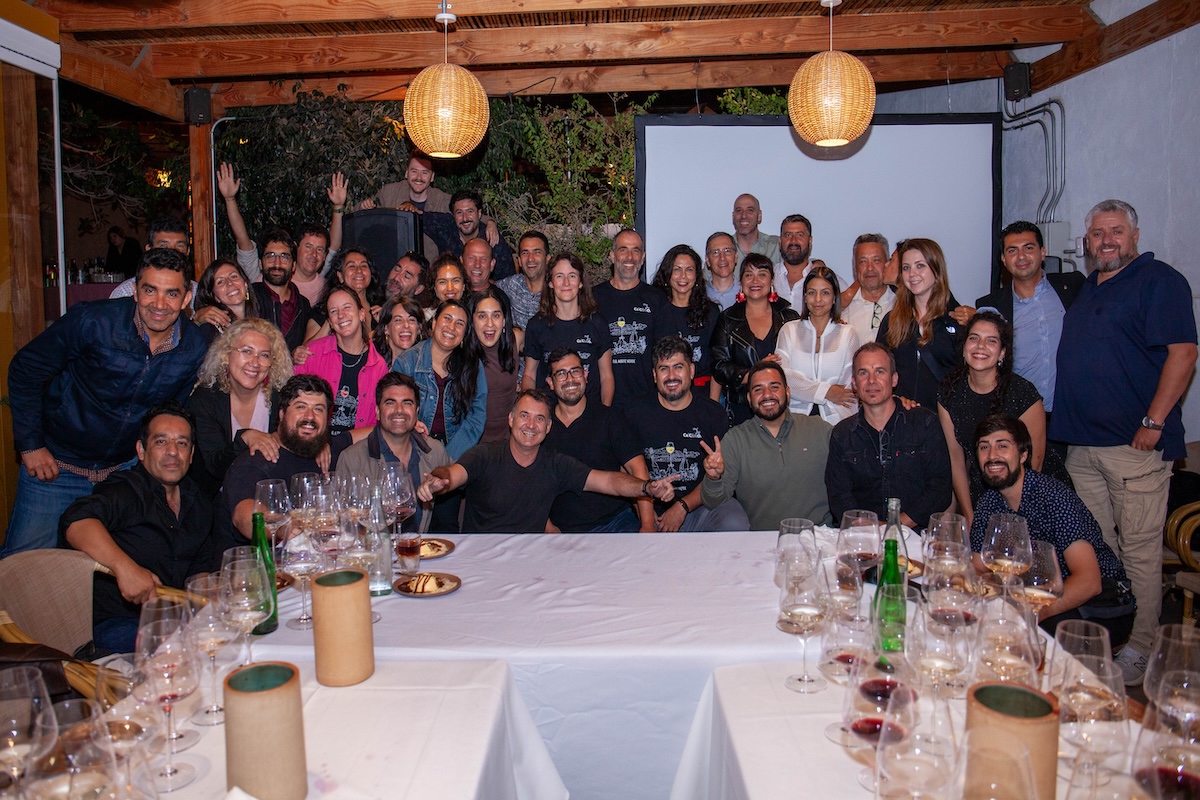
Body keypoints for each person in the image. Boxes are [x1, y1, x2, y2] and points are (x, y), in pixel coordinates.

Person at [1050, 199, 1197, 684]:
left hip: (1133, 449)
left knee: (1138, 551)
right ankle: (1115, 633)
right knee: (1099, 549)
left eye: (1115, 231)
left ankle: (1143, 647)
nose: (1106, 240)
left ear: (1135, 236)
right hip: (1083, 446)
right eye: (1097, 233)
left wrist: (1153, 422)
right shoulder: (1090, 286)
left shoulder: (1159, 281)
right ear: (1087, 242)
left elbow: (1183, 353)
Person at [3, 248, 207, 558]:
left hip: (122, 473)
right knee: (25, 568)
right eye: (150, 290)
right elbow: (25, 369)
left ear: (186, 298)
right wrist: (31, 445)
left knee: (113, 568)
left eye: (171, 293)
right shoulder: (92, 321)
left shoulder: (193, 346)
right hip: (55, 468)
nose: (159, 304)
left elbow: (170, 413)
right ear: (135, 290)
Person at [60, 402, 217, 655]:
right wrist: (125, 567)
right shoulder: (127, 490)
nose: (173, 452)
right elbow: (76, 521)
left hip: (175, 619)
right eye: (161, 442)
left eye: (182, 443)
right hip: (115, 624)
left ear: (191, 454)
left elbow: (199, 572)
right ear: (141, 451)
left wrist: (216, 596)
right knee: (185, 650)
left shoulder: (198, 501)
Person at [969, 414, 1135, 646]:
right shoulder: (988, 502)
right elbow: (979, 566)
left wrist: (1032, 613)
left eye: (1002, 446)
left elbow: (1089, 582)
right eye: (984, 447)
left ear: (1023, 455)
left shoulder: (1054, 498)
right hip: (1033, 594)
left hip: (1099, 604)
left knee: (1024, 639)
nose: (992, 456)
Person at [417, 389, 677, 533]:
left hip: (533, 561)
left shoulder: (555, 464)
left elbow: (608, 481)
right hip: (483, 558)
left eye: (539, 418)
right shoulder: (484, 455)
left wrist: (646, 487)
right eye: (524, 416)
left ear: (548, 427)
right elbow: (453, 474)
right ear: (511, 420)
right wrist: (439, 481)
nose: (531, 425)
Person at [936, 311, 1066, 525]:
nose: (980, 346)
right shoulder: (949, 392)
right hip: (982, 492)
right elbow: (956, 460)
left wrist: (1013, 523)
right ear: (964, 347)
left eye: (991, 341)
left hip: (1038, 500)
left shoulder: (1024, 395)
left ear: (1002, 353)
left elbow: (1034, 466)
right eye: (974, 338)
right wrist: (969, 515)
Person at [626, 337, 751, 532]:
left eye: (678, 367)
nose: (671, 376)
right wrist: (645, 514)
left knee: (735, 521)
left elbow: (721, 476)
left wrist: (682, 506)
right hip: (648, 508)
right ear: (654, 375)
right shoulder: (634, 413)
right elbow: (625, 471)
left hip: (699, 507)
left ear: (691, 371)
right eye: (663, 369)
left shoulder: (713, 414)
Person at [825, 343, 952, 530]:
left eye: (880, 371)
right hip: (861, 535)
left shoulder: (925, 423)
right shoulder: (842, 435)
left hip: (915, 535)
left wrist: (897, 524)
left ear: (894, 379)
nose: (871, 381)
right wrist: (867, 526)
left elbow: (940, 487)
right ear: (854, 383)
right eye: (863, 373)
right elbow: (839, 495)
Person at [217, 375, 352, 549]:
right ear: (282, 414)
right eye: (301, 407)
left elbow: (371, 434)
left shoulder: (323, 450)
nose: (310, 416)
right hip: (260, 563)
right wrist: (282, 527)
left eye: (318, 409)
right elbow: (244, 517)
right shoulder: (255, 461)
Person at [700, 360, 832, 530]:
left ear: (788, 392)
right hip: (762, 541)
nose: (767, 395)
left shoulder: (820, 429)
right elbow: (712, 501)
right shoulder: (735, 440)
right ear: (749, 398)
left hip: (819, 537)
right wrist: (713, 478)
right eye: (758, 389)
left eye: (774, 387)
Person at [975, 220, 1085, 417]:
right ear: (1003, 259)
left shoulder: (1073, 287)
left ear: (1043, 252)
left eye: (1028, 248)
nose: (1021, 256)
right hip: (1020, 416)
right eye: (1012, 250)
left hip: (1073, 414)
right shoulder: (991, 306)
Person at [543, 348, 654, 533]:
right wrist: (547, 527)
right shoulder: (541, 426)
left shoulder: (610, 419)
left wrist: (648, 525)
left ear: (585, 375)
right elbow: (530, 482)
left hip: (614, 522)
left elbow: (638, 469)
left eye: (575, 371)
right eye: (561, 374)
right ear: (550, 383)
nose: (570, 379)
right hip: (560, 528)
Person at [187, 318, 293, 497]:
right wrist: (244, 438)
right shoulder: (206, 399)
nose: (255, 362)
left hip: (270, 495)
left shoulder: (279, 397)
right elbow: (215, 466)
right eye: (246, 351)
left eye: (264, 355)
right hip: (218, 499)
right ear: (226, 355)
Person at [335, 373, 451, 535]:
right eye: (390, 403)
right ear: (377, 411)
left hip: (421, 548)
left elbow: (446, 515)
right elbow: (345, 524)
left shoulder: (435, 451)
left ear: (416, 411)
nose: (399, 410)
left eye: (407, 403)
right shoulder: (352, 459)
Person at [217, 162, 344, 303]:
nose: (313, 254)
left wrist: (338, 206)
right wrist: (230, 199)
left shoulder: (323, 284)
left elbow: (334, 246)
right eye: (308, 246)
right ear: (295, 248)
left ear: (324, 255)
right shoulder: (269, 274)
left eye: (319, 249)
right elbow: (243, 242)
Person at [710, 253, 801, 424]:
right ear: (741, 282)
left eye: (762, 274)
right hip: (741, 409)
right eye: (749, 275)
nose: (755, 281)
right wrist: (755, 372)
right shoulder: (727, 319)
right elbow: (719, 366)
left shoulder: (789, 317)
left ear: (771, 280)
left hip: (784, 407)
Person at [393, 299, 487, 461]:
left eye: (459, 324)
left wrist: (447, 460)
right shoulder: (407, 362)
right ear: (434, 322)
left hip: (457, 453)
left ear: (465, 334)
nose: (451, 327)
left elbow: (476, 419)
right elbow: (393, 408)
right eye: (447, 319)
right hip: (413, 449)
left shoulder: (473, 366)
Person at [876, 238, 963, 409]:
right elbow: (879, 368)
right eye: (906, 268)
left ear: (936, 269)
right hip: (902, 417)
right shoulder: (892, 321)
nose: (912, 274)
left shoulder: (957, 320)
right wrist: (894, 398)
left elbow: (968, 378)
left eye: (920, 266)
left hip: (944, 418)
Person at [294, 287, 389, 434]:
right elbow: (292, 404)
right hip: (314, 441)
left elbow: (379, 421)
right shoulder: (312, 353)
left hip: (358, 445)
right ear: (330, 322)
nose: (341, 315)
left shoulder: (379, 366)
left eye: (347, 307)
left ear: (361, 314)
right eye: (334, 311)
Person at [523, 253, 615, 405]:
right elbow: (529, 375)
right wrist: (530, 409)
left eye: (572, 276)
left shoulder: (597, 324)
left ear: (580, 282)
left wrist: (605, 413)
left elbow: (607, 377)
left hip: (590, 411)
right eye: (559, 276)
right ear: (550, 282)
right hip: (550, 411)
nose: (566, 282)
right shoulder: (537, 325)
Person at [775, 265, 860, 424]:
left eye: (825, 293)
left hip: (838, 420)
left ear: (834, 297)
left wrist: (804, 388)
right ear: (805, 297)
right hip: (795, 421)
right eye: (812, 293)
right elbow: (783, 378)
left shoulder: (848, 334)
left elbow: (847, 390)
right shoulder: (789, 330)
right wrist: (827, 391)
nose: (818, 299)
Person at [593, 229, 664, 410]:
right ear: (612, 255)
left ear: (643, 257)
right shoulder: (593, 298)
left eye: (636, 250)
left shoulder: (657, 299)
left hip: (647, 404)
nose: (630, 257)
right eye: (623, 249)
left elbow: (664, 353)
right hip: (602, 404)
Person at [652, 244, 720, 391]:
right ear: (667, 273)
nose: (683, 276)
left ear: (697, 276)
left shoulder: (711, 312)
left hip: (703, 391)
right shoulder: (655, 311)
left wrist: (713, 402)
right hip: (665, 391)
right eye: (677, 269)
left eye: (689, 270)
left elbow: (718, 362)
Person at [466, 288, 523, 444]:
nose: (489, 324)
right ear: (472, 321)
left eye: (496, 315)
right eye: (482, 316)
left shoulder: (515, 340)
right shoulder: (461, 354)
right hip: (471, 443)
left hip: (510, 441)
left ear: (504, 320)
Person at [424, 189, 516, 280]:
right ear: (453, 216)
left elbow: (509, 281)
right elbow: (418, 217)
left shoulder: (493, 240)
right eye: (459, 213)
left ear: (479, 213)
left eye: (470, 211)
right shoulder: (445, 228)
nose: (465, 218)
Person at [107, 217, 200, 308]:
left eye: (179, 247)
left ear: (187, 252)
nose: (172, 253)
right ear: (149, 250)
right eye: (163, 247)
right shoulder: (125, 293)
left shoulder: (198, 292)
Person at [250, 226, 313, 352]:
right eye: (270, 256)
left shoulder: (303, 306)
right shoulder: (248, 297)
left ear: (293, 266)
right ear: (260, 264)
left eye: (284, 257)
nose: (277, 264)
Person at [773, 214, 851, 312]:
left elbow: (847, 311)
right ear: (780, 241)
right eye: (788, 235)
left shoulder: (828, 280)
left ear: (810, 241)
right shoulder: (768, 278)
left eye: (800, 235)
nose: (793, 241)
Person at [305, 247, 385, 342]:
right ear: (340, 276)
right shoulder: (324, 310)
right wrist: (330, 321)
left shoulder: (382, 307)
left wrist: (385, 324)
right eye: (352, 266)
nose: (359, 270)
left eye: (364, 266)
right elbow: (307, 349)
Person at [841, 233, 897, 345]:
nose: (870, 268)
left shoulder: (902, 303)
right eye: (863, 261)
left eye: (876, 260)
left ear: (887, 263)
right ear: (855, 267)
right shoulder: (842, 311)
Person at [192, 258, 259, 343]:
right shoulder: (209, 330)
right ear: (214, 296)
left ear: (245, 284)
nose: (229, 283)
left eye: (234, 276)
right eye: (220, 282)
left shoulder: (261, 317)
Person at [497, 230, 548, 330]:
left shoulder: (557, 290)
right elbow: (487, 286)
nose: (530, 259)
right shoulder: (512, 284)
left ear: (547, 259)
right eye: (525, 253)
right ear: (519, 261)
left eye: (537, 252)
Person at [373, 297, 425, 365]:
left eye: (411, 320)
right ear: (386, 328)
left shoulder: (429, 364)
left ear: (419, 328)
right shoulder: (372, 361)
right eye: (398, 320)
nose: (406, 325)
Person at [731, 194, 780, 264]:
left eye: (750, 210)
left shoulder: (776, 246)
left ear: (759, 216)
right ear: (733, 216)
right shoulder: (723, 250)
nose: (744, 216)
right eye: (739, 210)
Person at [704, 231, 740, 311]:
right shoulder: (698, 295)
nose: (722, 258)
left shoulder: (748, 294)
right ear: (708, 260)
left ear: (736, 257)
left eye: (727, 251)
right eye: (715, 252)